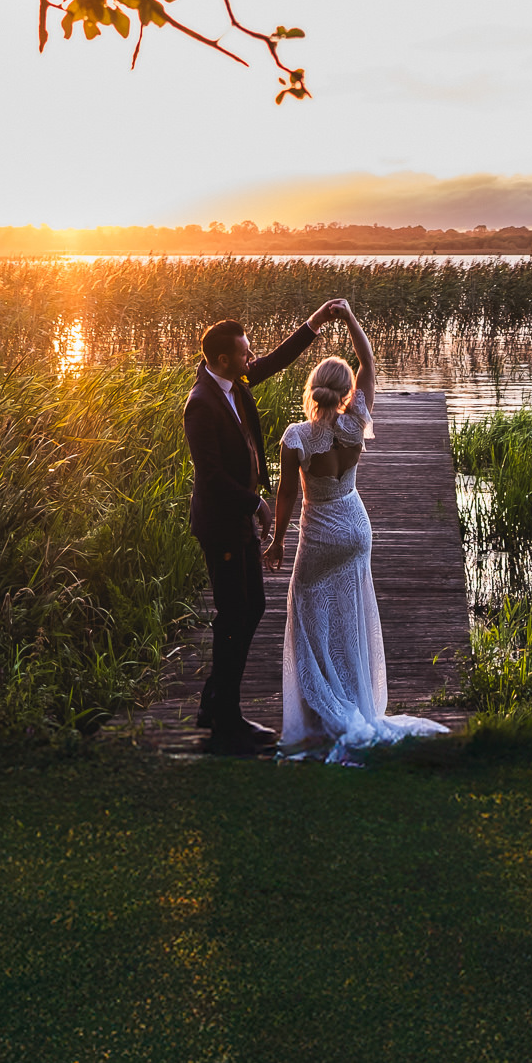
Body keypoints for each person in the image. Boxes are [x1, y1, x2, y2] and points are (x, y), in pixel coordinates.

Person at [266, 302, 449, 764]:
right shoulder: (356, 420)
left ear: (312, 390)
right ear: (346, 392)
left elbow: (287, 496)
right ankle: (355, 695)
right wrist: (347, 317)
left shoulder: (296, 437)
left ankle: (323, 711)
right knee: (349, 612)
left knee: (308, 616)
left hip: (321, 532)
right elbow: (367, 360)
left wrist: (277, 541)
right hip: (356, 524)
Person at [183, 301, 345, 753]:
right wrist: (257, 503)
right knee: (237, 613)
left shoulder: (235, 383)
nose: (251, 359)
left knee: (248, 609)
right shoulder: (200, 405)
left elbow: (274, 360)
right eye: (244, 354)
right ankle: (226, 720)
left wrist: (314, 323)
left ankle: (217, 704)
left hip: (240, 525)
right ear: (221, 361)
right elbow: (211, 474)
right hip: (222, 525)